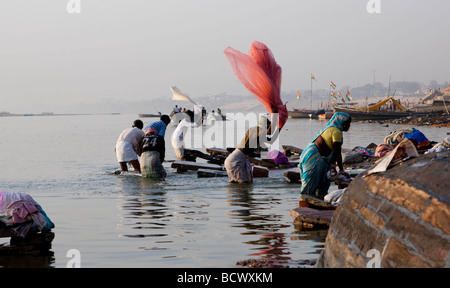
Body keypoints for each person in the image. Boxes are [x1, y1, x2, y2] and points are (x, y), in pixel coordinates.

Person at [298, 112, 352, 197]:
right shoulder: (336, 132)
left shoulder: (332, 129)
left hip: (320, 157)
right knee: (309, 187)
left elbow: (333, 153)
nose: (349, 126)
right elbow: (337, 153)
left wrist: (334, 168)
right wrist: (342, 171)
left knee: (323, 184)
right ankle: (304, 206)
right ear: (343, 123)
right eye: (348, 124)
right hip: (313, 157)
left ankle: (317, 205)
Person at [224, 116, 273, 183]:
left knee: (241, 185)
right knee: (244, 184)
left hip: (235, 158)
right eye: (267, 126)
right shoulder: (257, 129)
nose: (268, 128)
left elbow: (270, 140)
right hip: (236, 160)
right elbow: (269, 133)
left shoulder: (254, 131)